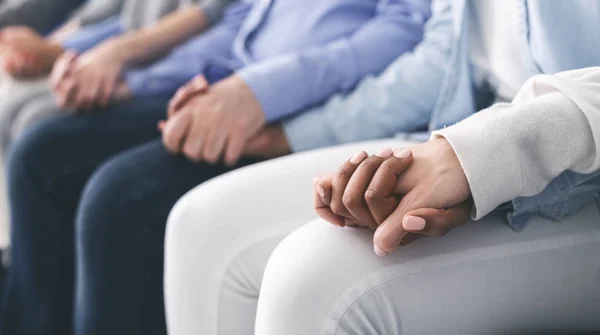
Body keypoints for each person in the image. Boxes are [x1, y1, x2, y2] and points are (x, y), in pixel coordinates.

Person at [163, 0, 600, 334]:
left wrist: (487, 151)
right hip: (474, 120)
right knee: (203, 224)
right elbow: (443, 58)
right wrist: (293, 135)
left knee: (316, 282)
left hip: (581, 164)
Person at [2, 0, 431, 334]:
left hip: (310, 101)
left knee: (121, 198)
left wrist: (259, 93)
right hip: (238, 79)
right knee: (43, 151)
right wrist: (135, 84)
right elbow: (242, 28)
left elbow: (406, 28)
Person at [0, 0, 230, 265]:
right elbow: (127, 20)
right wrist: (69, 54)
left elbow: (219, 25)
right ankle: (17, 266)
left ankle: (38, 283)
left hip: (186, 79)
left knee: (42, 137)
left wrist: (118, 74)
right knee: (16, 107)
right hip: (142, 63)